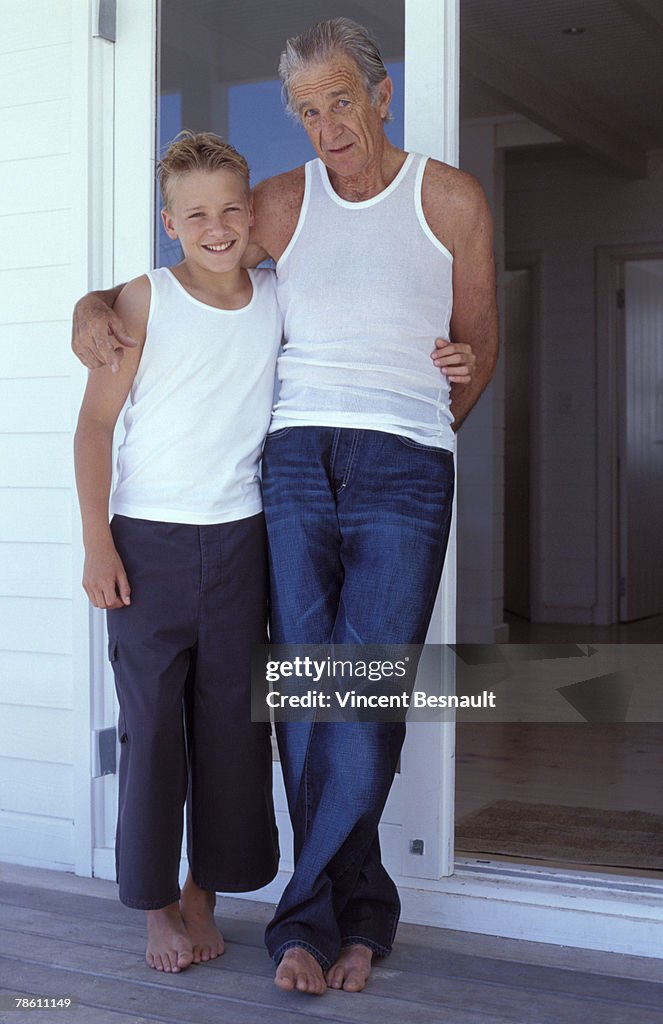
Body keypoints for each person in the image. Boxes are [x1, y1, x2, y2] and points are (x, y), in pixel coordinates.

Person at [71, 18, 496, 997]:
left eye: (340, 99)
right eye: (305, 109)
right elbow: (185, 260)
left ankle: (321, 912)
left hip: (398, 468)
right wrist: (89, 305)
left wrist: (424, 423)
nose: (324, 124)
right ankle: (341, 915)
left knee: (361, 698)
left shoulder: (451, 199)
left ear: (383, 97)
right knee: (305, 700)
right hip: (293, 468)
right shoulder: (280, 204)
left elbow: (478, 342)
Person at [73, 132, 281, 974]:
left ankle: (205, 893)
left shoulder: (277, 293)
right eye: (196, 212)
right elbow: (94, 425)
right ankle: (157, 909)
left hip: (241, 541)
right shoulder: (142, 300)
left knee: (231, 727)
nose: (218, 225)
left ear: (252, 215)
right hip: (147, 545)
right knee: (155, 729)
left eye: (232, 208)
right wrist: (97, 543)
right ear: (170, 223)